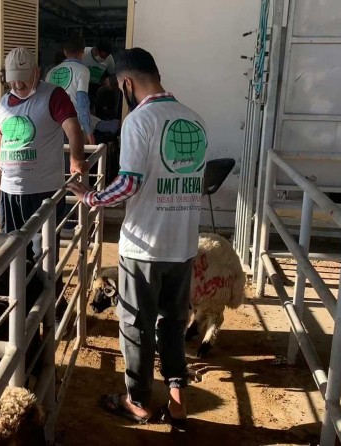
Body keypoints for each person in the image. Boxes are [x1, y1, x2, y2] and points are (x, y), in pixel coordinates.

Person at [67, 48, 208, 431]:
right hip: (182, 243)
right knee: (173, 324)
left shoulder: (139, 120)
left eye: (120, 87)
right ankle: (177, 403)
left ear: (127, 84)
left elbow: (128, 183)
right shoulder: (194, 120)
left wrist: (91, 197)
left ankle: (138, 402)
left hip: (145, 246)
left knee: (136, 325)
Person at [0, 46, 87, 325]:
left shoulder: (53, 96)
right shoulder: (4, 103)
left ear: (37, 73)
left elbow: (73, 128)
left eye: (23, 80)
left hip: (43, 191)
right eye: (13, 81)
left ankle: (53, 308)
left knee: (44, 254)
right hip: (10, 192)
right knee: (11, 252)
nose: (18, 86)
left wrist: (76, 159)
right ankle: (19, 307)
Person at [46, 34, 94, 145]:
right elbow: (82, 103)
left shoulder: (51, 72)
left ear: (65, 52)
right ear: (83, 52)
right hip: (74, 126)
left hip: (53, 127)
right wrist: (89, 132)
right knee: (75, 156)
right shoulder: (83, 70)